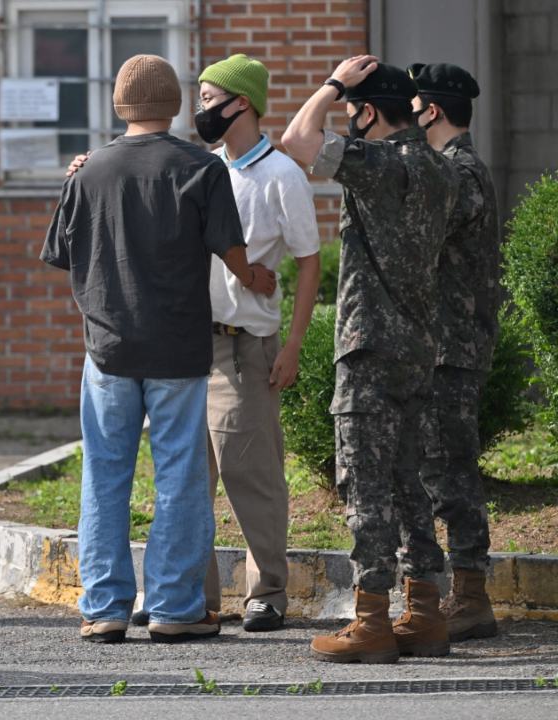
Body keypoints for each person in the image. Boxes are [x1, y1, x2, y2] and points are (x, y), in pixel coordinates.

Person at [68, 53, 321, 633]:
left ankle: (254, 591)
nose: (204, 109)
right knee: (185, 478)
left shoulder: (277, 175)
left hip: (200, 344)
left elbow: (306, 264)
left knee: (234, 473)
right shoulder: (197, 165)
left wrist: (293, 344)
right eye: (199, 99)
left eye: (213, 99)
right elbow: (224, 250)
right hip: (179, 343)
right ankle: (182, 601)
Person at [282, 56, 459, 663]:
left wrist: (332, 85)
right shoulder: (441, 170)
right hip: (417, 349)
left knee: (366, 489)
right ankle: (426, 613)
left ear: (368, 111)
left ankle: (372, 621)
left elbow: (297, 140)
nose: (348, 120)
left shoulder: (380, 163)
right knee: (410, 485)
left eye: (355, 111)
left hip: (369, 351)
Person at [409, 62, 502, 642]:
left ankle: (470, 595)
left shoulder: (458, 173)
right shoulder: (455, 168)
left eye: (414, 105)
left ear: (432, 110)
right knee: (442, 469)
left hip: (451, 349)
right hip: (445, 345)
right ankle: (464, 591)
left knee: (452, 475)